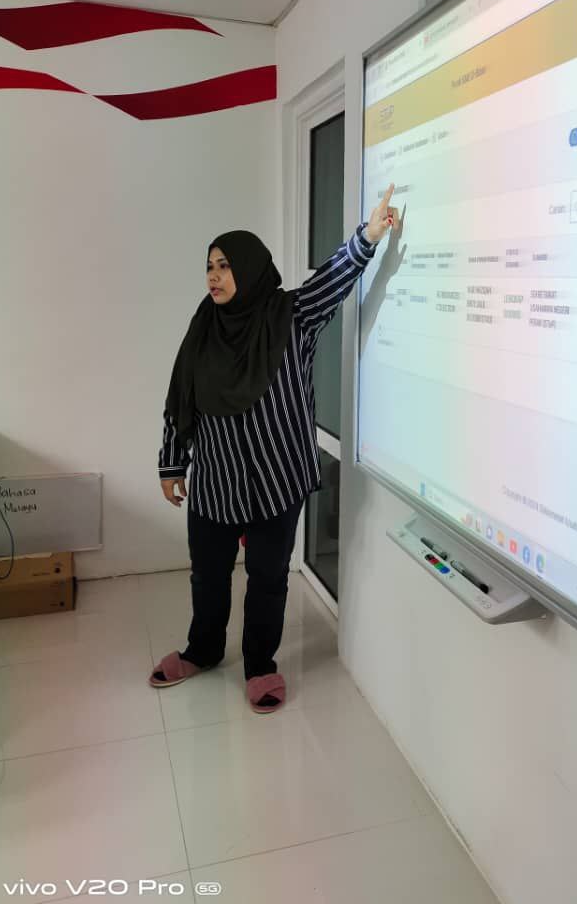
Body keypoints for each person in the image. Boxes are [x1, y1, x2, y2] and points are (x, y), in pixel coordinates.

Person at [149, 184, 400, 712]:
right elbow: (181, 400)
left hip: (275, 479)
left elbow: (330, 282)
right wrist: (172, 464)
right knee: (208, 576)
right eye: (209, 267)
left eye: (224, 266)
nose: (214, 276)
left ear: (250, 268)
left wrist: (368, 236)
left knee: (267, 579)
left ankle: (260, 664)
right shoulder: (203, 331)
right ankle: (203, 650)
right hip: (216, 483)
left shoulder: (291, 317)